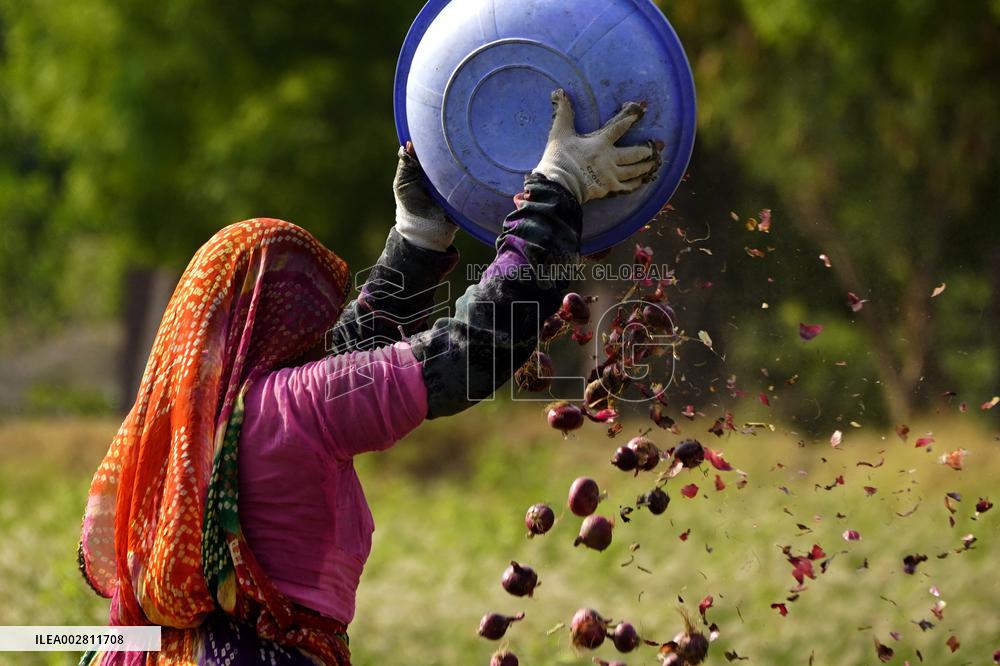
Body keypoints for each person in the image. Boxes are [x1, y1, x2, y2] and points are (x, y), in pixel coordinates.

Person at [78, 89, 663, 665]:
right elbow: (469, 350)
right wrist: (556, 193)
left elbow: (343, 358)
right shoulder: (293, 405)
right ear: (269, 319)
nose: (319, 327)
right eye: (304, 310)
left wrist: (419, 239)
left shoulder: (168, 429)